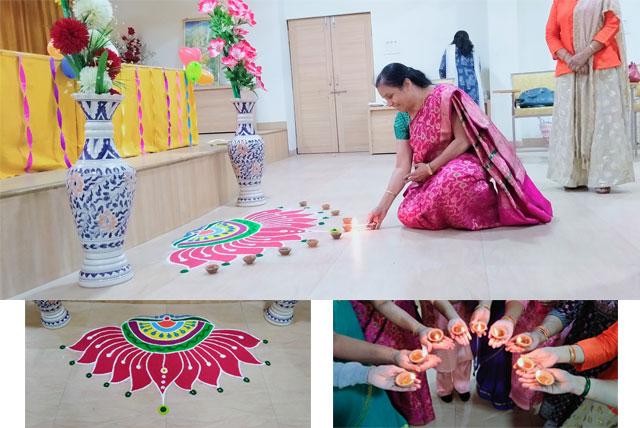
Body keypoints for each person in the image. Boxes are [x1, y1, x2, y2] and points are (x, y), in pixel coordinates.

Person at [368, 63, 552, 231]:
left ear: (407, 84)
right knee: (407, 213)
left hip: (461, 164)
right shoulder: (402, 119)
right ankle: (446, 212)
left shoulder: (444, 97)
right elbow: (401, 167)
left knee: (453, 181)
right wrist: (382, 207)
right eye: (385, 99)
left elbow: (462, 141)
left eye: (390, 96)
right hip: (428, 177)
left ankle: (482, 209)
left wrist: (431, 168)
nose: (389, 103)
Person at [545, 0, 634, 194]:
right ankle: (573, 176)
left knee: (603, 121)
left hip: (602, 67)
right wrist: (571, 59)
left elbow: (612, 24)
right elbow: (551, 34)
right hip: (569, 69)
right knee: (572, 121)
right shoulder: (559, 1)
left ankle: (604, 176)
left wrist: (585, 54)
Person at [333, 300, 440, 427]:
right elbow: (334, 341)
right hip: (345, 394)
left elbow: (334, 341)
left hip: (360, 365)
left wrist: (369, 372)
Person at [513, 300, 617, 426]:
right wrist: (555, 351)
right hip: (582, 351)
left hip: (605, 377)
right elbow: (610, 342)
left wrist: (576, 383)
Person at [439, 30, 485, 110]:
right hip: (473, 88)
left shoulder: (449, 51)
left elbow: (442, 70)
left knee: (459, 114)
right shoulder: (474, 52)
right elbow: (478, 70)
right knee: (473, 114)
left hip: (457, 88)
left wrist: (447, 85)